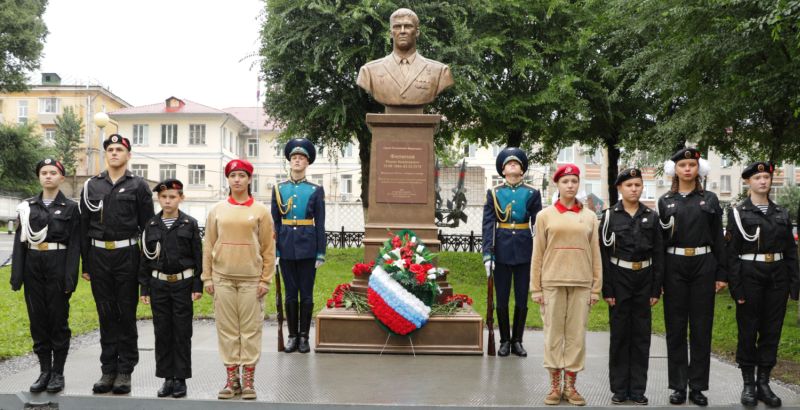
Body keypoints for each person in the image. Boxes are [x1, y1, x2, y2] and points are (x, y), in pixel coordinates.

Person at [80, 134, 154, 394]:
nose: (114, 153)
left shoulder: (139, 186)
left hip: (128, 256)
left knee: (125, 314)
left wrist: (145, 267)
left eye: (119, 149)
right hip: (99, 257)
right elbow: (84, 227)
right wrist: (85, 264)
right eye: (110, 149)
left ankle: (125, 371)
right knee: (106, 314)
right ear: (105, 154)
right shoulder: (91, 185)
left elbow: (148, 229)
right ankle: (107, 369)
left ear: (128, 155)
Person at [726, 162, 799, 408]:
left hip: (777, 276)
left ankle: (764, 383)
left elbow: (790, 251)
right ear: (749, 182)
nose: (763, 181)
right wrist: (736, 287)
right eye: (757, 177)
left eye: (766, 177)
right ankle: (748, 384)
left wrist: (794, 284)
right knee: (748, 329)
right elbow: (732, 253)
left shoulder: (781, 213)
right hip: (749, 275)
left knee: (772, 330)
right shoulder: (737, 213)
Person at [657, 147, 727, 406]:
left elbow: (718, 239)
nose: (687, 169)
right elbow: (660, 243)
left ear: (699, 169)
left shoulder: (709, 199)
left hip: (703, 265)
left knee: (701, 328)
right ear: (674, 169)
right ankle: (678, 385)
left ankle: (697, 387)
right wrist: (659, 278)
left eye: (692, 165)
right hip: (674, 266)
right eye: (683, 165)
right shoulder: (665, 201)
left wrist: (721, 272)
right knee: (675, 329)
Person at [202, 159, 275, 400]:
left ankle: (248, 381)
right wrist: (207, 277)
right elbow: (208, 244)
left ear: (249, 179)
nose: (237, 179)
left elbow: (268, 248)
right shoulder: (217, 210)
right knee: (227, 330)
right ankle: (231, 380)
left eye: (242, 175)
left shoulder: (261, 211)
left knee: (251, 330)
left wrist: (265, 280)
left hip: (251, 280)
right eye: (233, 175)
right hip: (222, 279)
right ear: (228, 179)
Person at [530, 164, 602, 406]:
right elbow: (537, 253)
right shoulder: (544, 216)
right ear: (557, 185)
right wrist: (536, 288)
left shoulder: (590, 217)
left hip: (581, 283)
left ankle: (571, 386)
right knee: (553, 335)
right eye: (565, 181)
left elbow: (596, 254)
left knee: (576, 336)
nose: (570, 185)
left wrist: (595, 288)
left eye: (574, 181)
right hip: (552, 282)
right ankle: (554, 385)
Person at [10, 159, 80, 393]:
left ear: (62, 177)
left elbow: (75, 246)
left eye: (53, 172)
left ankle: (58, 373)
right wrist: (17, 276)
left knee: (58, 321)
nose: (48, 176)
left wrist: (70, 277)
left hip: (57, 265)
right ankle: (44, 371)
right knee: (38, 320)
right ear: (39, 177)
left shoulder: (71, 208)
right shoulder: (28, 206)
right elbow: (20, 243)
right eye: (43, 172)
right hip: (33, 267)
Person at [600, 168, 664, 405]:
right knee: (619, 335)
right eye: (629, 185)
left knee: (640, 336)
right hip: (619, 278)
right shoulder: (609, 217)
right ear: (619, 188)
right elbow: (603, 255)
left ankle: (637, 389)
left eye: (638, 185)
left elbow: (659, 253)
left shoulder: (652, 216)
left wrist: (656, 288)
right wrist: (607, 288)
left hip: (644, 279)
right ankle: (619, 388)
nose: (634, 189)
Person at [139, 179, 203, 398]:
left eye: (172, 197)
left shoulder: (190, 224)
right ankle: (167, 378)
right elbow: (145, 259)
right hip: (159, 285)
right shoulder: (151, 225)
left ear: (181, 198)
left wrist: (198, 284)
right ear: (159, 198)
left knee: (182, 332)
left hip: (183, 285)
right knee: (162, 331)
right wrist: (144, 288)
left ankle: (181, 379)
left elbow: (198, 257)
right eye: (164, 197)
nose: (168, 201)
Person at [481, 147, 542, 357]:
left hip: (525, 250)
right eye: (508, 163)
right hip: (502, 250)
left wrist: (540, 253)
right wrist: (488, 255)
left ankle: (518, 340)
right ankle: (504, 340)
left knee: (522, 299)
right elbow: (488, 225)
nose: (513, 165)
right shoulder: (494, 193)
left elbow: (539, 225)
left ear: (522, 170)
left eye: (516, 163)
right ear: (503, 171)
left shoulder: (533, 193)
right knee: (503, 297)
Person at [271, 138, 326, 354]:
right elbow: (274, 221)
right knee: (290, 293)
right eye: (294, 157)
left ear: (307, 162)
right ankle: (292, 336)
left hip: (307, 246)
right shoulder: (279, 189)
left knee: (307, 293)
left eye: (301, 158)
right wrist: (274, 249)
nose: (297, 160)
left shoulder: (315, 190)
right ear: (289, 161)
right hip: (285, 245)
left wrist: (320, 252)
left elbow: (320, 223)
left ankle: (304, 337)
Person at [356, 8, 453, 109]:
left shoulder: (440, 71)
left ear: (417, 32)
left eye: (408, 26)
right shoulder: (369, 72)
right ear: (390, 33)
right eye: (397, 27)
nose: (402, 31)